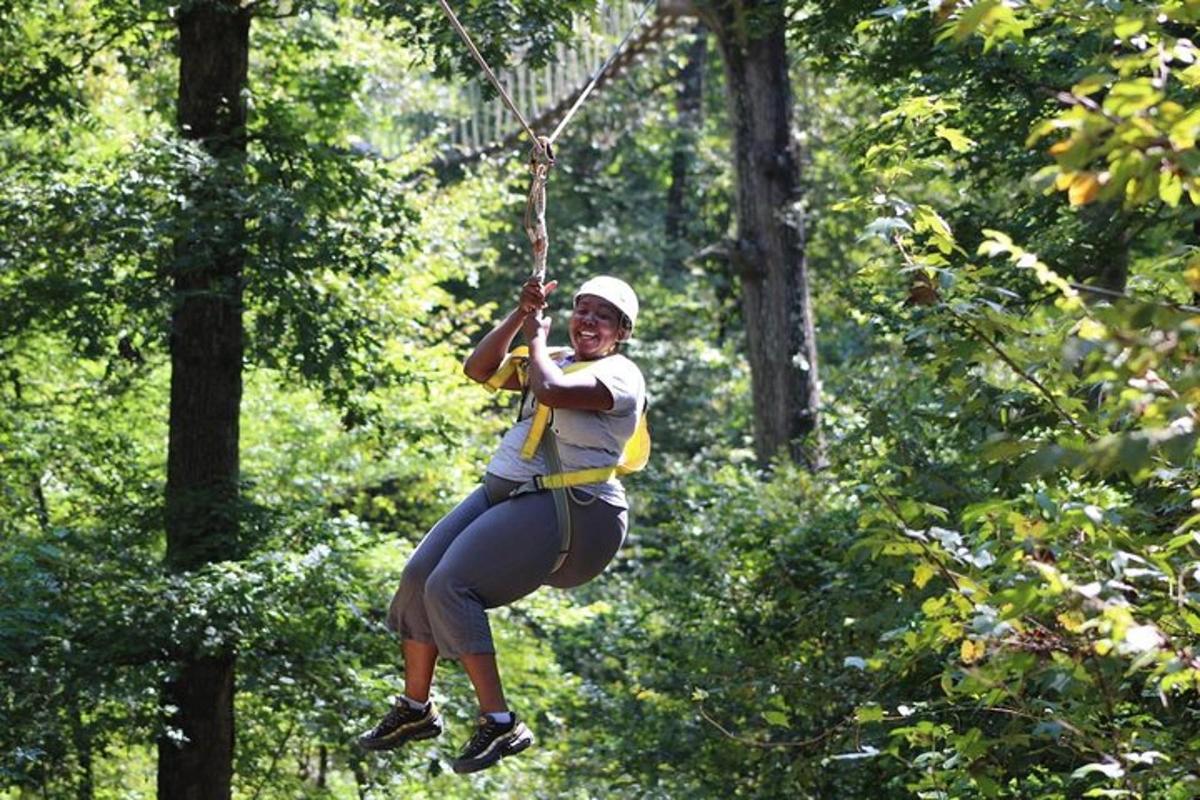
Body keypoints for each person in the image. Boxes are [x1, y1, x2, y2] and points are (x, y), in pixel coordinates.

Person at [358, 274, 646, 774]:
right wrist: (520, 315)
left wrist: (535, 338)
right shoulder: (553, 356)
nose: (588, 322)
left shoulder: (621, 375)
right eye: (583, 310)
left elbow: (552, 392)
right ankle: (416, 709)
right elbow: (479, 368)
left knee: (452, 584)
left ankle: (500, 720)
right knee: (417, 578)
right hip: (511, 490)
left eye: (604, 316)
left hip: (576, 504)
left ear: (621, 332)